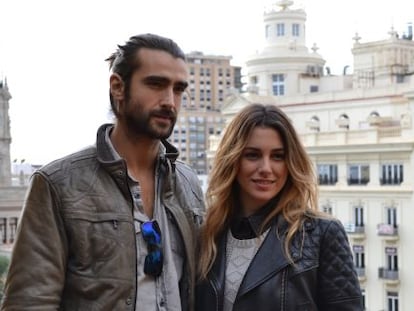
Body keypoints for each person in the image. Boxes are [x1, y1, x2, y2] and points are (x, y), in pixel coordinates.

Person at [1, 33, 205, 311]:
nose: (170, 101)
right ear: (118, 87)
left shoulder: (188, 183)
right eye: (156, 84)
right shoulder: (59, 185)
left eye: (179, 89)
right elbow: (29, 302)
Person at [196, 103, 363, 311]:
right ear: (233, 160)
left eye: (277, 156)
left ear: (291, 162)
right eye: (253, 155)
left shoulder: (321, 234)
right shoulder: (209, 234)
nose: (266, 169)